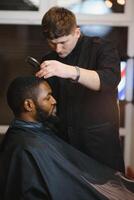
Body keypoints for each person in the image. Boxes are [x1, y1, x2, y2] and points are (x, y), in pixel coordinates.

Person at [0, 76, 134, 200]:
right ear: (29, 105)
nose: (54, 100)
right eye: (48, 97)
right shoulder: (24, 148)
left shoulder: (36, 132)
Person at [36, 6, 124, 172]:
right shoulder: (49, 59)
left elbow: (108, 80)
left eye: (63, 42)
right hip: (63, 145)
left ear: (77, 32)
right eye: (52, 44)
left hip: (100, 146)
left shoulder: (102, 48)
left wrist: (69, 71)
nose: (58, 49)